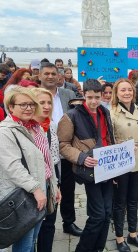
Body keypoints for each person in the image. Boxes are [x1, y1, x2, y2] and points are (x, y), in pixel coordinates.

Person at [58, 79, 115, 252]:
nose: (93, 101)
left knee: (106, 214)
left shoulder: (105, 112)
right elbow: (63, 145)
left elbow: (108, 139)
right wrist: (81, 157)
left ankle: (98, 248)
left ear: (102, 96)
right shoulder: (72, 115)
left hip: (107, 168)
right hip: (89, 170)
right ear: (83, 95)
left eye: (97, 97)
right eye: (89, 97)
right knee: (98, 215)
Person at [1, 87, 59, 251]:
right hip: (24, 194)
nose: (29, 108)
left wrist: (53, 185)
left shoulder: (36, 127)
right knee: (24, 245)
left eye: (32, 104)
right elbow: (13, 167)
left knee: (33, 239)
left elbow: (46, 160)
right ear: (11, 107)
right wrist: (36, 189)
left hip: (43, 186)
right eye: (23, 104)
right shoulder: (6, 132)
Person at [110, 78, 138, 251]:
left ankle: (133, 234)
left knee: (134, 200)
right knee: (120, 202)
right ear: (116, 93)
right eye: (123, 90)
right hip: (121, 161)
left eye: (129, 89)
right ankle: (120, 238)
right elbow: (109, 139)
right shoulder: (111, 112)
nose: (127, 93)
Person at [38, 62, 80, 236]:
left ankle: (68, 222)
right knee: (48, 190)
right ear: (40, 76)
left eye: (53, 74)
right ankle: (45, 225)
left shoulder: (68, 94)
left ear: (58, 76)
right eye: (46, 74)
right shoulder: (34, 95)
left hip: (66, 151)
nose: (50, 77)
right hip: (43, 153)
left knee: (68, 190)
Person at [32, 88, 62, 252]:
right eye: (41, 102)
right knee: (31, 228)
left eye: (49, 102)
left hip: (51, 178)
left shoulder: (50, 125)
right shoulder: (27, 128)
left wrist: (56, 184)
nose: (46, 106)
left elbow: (54, 157)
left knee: (49, 224)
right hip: (34, 183)